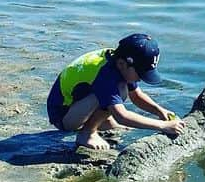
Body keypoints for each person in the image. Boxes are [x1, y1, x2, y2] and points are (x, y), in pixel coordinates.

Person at [46, 33, 185, 150]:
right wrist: (163, 126)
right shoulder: (106, 74)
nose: (141, 79)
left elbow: (136, 96)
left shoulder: (121, 60)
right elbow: (122, 116)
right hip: (63, 117)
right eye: (140, 74)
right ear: (122, 64)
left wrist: (160, 111)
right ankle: (87, 133)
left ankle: (100, 121)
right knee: (120, 91)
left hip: (77, 104)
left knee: (119, 92)